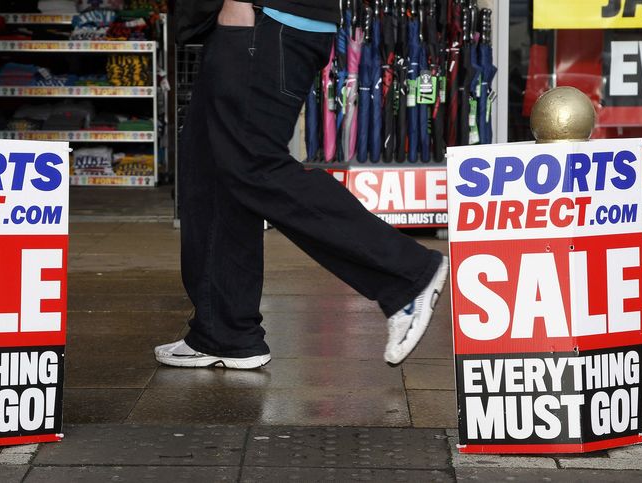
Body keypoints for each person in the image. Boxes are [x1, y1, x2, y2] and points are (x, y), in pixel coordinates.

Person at [155, 0, 448, 369]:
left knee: (255, 164)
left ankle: (407, 274)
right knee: (212, 169)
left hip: (263, 19)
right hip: (265, 21)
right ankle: (224, 334)